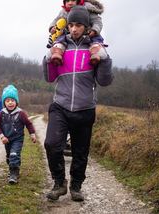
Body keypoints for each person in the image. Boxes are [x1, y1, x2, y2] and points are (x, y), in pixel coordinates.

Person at [42, 5, 113, 202]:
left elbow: (105, 81)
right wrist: (47, 58)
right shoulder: (61, 46)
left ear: (86, 26)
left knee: (80, 152)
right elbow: (49, 77)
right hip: (61, 106)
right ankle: (59, 182)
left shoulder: (94, 49)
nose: (73, 29)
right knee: (52, 144)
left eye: (78, 25)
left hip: (85, 108)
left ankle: (76, 185)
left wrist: (105, 60)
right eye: (71, 25)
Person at [0, 85, 36, 184]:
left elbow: (28, 124)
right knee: (9, 156)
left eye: (12, 100)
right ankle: (12, 168)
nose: (10, 102)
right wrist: (2, 137)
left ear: (16, 102)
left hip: (17, 138)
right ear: (4, 102)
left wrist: (32, 135)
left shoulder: (20, 113)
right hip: (7, 139)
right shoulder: (2, 113)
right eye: (7, 100)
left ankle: (14, 174)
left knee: (14, 154)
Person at [47, 0, 104, 66]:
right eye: (67, 1)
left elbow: (97, 21)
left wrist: (94, 30)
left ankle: (96, 52)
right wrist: (52, 27)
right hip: (69, 34)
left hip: (87, 32)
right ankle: (58, 51)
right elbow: (56, 20)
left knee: (97, 38)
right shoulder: (64, 12)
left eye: (73, 0)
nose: (70, 3)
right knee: (61, 37)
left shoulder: (88, 8)